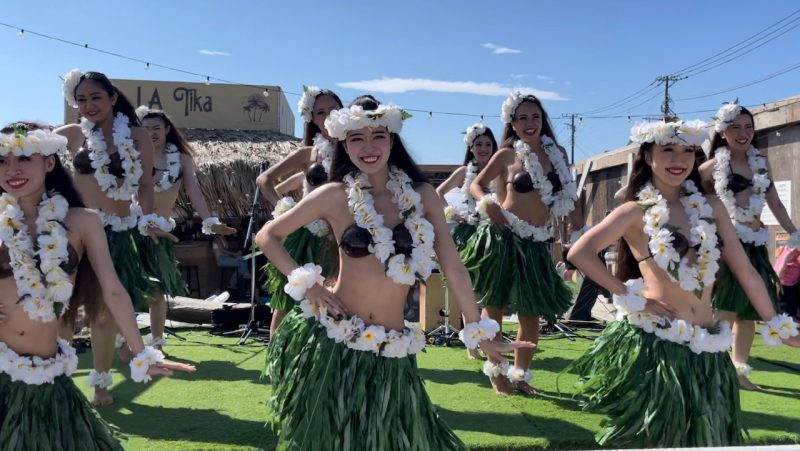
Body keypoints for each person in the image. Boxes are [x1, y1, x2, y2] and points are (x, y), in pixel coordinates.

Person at [256, 96, 533, 450]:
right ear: (344, 144)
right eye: (356, 138)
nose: (368, 147)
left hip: (393, 348)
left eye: (378, 136)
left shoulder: (423, 197)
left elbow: (453, 266)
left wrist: (478, 329)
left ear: (392, 140)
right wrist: (307, 284)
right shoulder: (334, 195)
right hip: (335, 335)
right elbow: (269, 236)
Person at [565, 118, 800, 448]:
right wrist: (630, 296)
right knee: (659, 435)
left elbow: (746, 270)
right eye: (668, 151)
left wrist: (776, 323)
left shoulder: (713, 208)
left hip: (707, 344)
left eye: (687, 152)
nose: (679, 160)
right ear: (648, 157)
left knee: (704, 434)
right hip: (657, 341)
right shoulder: (635, 211)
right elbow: (580, 252)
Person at [0, 123, 195, 450]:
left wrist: (141, 352)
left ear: (49, 162)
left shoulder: (82, 221)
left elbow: (114, 290)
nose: (12, 169)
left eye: (24, 158)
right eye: (2, 161)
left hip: (49, 378)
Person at [56, 69, 172, 405]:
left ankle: (101, 384)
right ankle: (56, 380)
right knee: (63, 312)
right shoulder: (75, 134)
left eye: (95, 97)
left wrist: (149, 220)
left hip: (118, 233)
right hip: (75, 232)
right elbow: (31, 147)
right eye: (81, 99)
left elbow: (147, 184)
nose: (88, 105)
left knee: (103, 313)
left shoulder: (136, 136)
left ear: (112, 98)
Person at [460, 92, 585, 395]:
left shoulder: (558, 155)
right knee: (496, 308)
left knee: (531, 314)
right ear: (512, 123)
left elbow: (567, 195)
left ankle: (521, 374)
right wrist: (487, 202)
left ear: (543, 121)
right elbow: (476, 184)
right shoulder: (506, 155)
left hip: (538, 242)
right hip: (505, 238)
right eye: (522, 118)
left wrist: (575, 220)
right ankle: (496, 371)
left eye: (536, 117)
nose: (530, 123)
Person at [698, 101, 800, 390]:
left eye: (748, 127)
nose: (743, 133)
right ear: (723, 132)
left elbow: (774, 202)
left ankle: (739, 372)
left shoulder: (761, 162)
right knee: (726, 310)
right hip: (729, 245)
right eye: (735, 127)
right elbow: (690, 196)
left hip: (754, 245)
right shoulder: (712, 166)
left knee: (748, 314)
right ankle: (713, 370)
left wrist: (795, 233)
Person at [137, 106, 235, 351]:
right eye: (145, 129)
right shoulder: (132, 156)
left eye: (156, 128)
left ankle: (157, 345)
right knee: (125, 289)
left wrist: (210, 222)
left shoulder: (180, 160)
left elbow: (194, 192)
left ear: (167, 130)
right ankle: (122, 344)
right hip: (129, 229)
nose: (151, 133)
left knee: (157, 292)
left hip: (160, 233)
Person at [256, 86, 342, 337]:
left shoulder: (357, 151)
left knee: (335, 297)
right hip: (308, 237)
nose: (327, 117)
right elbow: (264, 180)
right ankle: (276, 358)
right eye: (320, 113)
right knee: (288, 300)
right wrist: (283, 209)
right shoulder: (308, 154)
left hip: (342, 237)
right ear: (312, 119)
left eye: (333, 110)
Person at [436, 123, 499, 359]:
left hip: (496, 235)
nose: (483, 149)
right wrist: (453, 213)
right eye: (479, 144)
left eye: (488, 144)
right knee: (470, 291)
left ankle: (490, 339)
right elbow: (437, 193)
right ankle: (472, 346)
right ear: (471, 147)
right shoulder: (464, 172)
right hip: (471, 234)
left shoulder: (500, 170)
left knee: (492, 291)